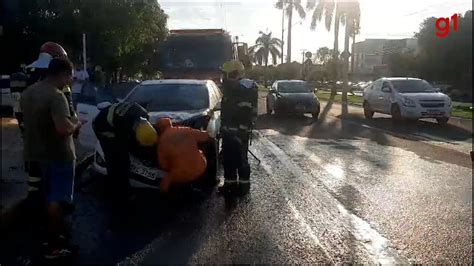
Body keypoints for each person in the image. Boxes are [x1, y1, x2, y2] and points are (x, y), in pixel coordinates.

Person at [20, 58, 81, 260]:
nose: (70, 80)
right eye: (69, 75)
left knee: (48, 196)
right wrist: (76, 123)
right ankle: (55, 246)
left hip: (36, 153)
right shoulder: (56, 96)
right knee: (58, 200)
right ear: (62, 74)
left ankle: (51, 238)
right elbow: (63, 129)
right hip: (59, 155)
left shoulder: (28, 93)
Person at [92, 101, 157, 204]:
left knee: (123, 154)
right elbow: (126, 144)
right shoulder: (124, 127)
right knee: (117, 161)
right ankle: (119, 194)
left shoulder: (144, 115)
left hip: (117, 122)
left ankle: (119, 188)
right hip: (102, 127)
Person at [218, 60, 258, 195]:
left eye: (224, 74)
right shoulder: (231, 89)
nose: (222, 77)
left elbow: (246, 113)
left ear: (232, 73)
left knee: (241, 161)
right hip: (229, 133)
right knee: (228, 160)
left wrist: (240, 133)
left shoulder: (244, 90)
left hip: (239, 134)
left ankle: (243, 187)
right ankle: (230, 186)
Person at [155, 118, 210, 193]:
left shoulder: (161, 142)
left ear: (160, 129)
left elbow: (163, 165)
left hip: (183, 175)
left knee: (165, 180)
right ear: (170, 124)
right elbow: (205, 136)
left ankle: (164, 198)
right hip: (201, 167)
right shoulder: (184, 129)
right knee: (200, 152)